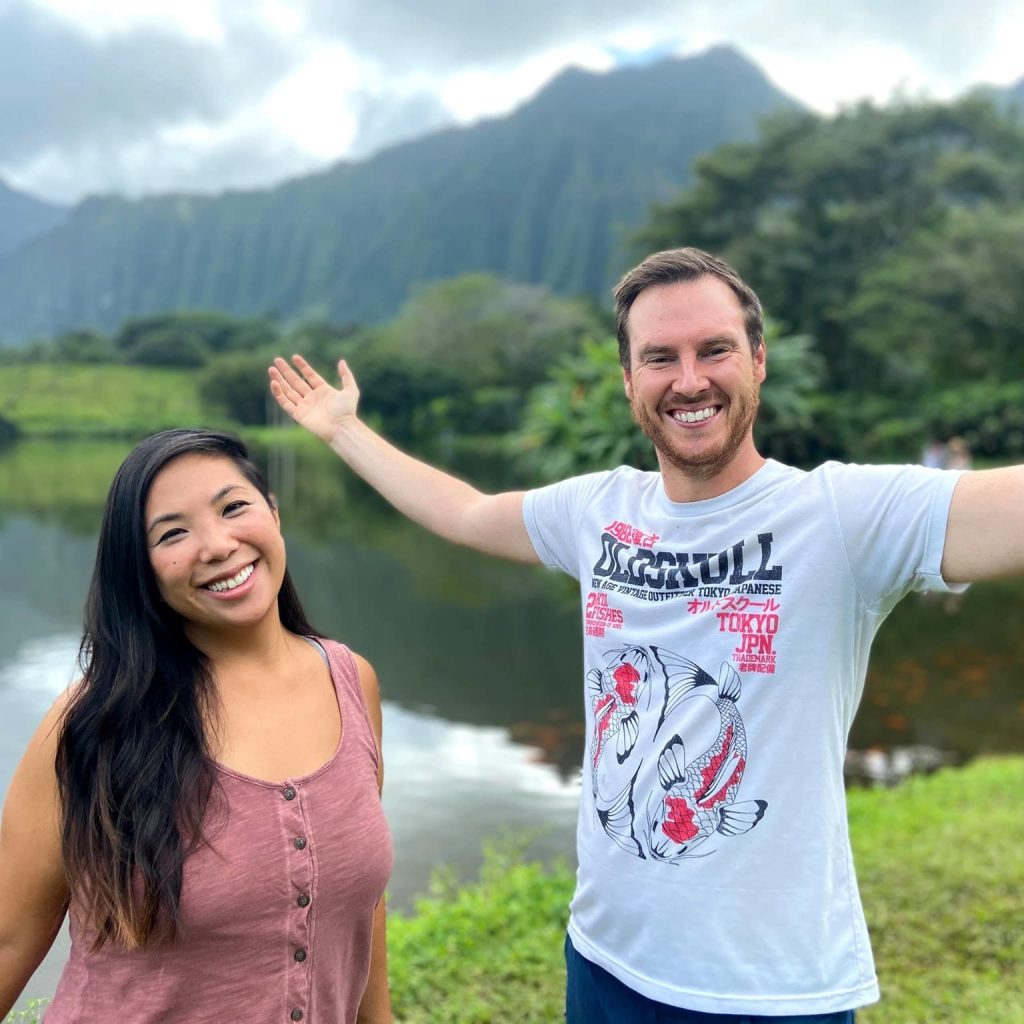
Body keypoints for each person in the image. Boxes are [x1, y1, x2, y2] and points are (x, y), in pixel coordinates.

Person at [267, 247, 1015, 1024]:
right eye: (660, 357)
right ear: (629, 381)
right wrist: (342, 431)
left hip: (770, 987)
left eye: (714, 350)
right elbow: (461, 513)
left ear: (758, 361)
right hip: (604, 958)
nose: (689, 380)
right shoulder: (599, 510)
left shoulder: (842, 515)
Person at [0, 429, 392, 1024]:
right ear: (142, 571)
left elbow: (362, 904)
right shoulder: (93, 722)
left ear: (274, 513)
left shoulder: (350, 682)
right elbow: (8, 939)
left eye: (234, 506)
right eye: (173, 533)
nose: (217, 544)